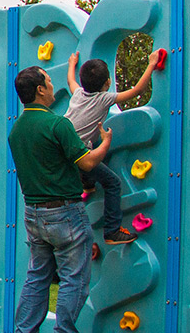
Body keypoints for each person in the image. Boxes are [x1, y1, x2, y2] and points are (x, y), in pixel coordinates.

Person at [9, 66, 112, 333]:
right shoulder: (59, 125)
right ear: (40, 89)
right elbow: (88, 163)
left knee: (38, 275)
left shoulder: (17, 130)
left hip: (33, 212)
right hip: (65, 212)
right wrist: (105, 142)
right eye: (50, 82)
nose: (54, 87)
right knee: (74, 277)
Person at [66, 52, 155, 244]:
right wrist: (152, 64)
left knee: (89, 148)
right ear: (107, 83)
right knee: (113, 183)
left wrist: (72, 64)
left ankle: (87, 184)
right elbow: (137, 91)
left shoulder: (78, 93)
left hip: (64, 148)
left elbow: (70, 81)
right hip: (79, 153)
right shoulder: (104, 99)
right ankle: (112, 231)